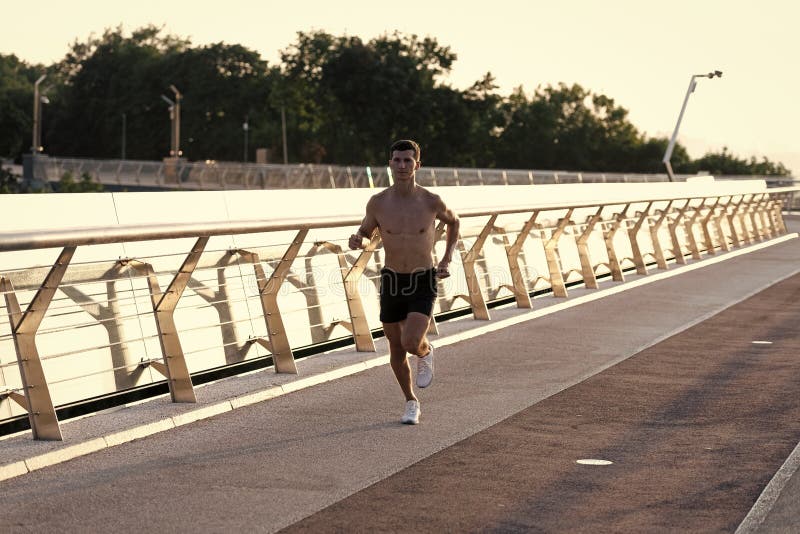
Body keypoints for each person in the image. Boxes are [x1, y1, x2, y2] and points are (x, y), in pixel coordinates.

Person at [349, 139, 460, 425]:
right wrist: (357, 239)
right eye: (397, 160)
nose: (402, 166)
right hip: (392, 279)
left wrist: (446, 258)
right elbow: (364, 230)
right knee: (396, 347)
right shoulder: (378, 202)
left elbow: (454, 222)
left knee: (411, 342)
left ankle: (425, 351)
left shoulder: (431, 201)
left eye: (407, 161)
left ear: (417, 165)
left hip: (423, 278)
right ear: (390, 164)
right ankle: (411, 402)